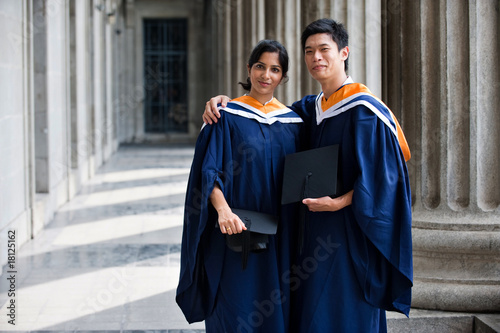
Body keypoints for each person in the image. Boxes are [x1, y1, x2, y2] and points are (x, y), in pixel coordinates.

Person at [202, 18, 413, 333]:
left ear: (344, 53)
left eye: (324, 49)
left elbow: (389, 181)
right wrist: (224, 102)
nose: (316, 57)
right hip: (309, 235)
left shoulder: (366, 111)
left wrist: (339, 203)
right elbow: (262, 120)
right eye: (309, 50)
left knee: (345, 311)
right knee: (313, 313)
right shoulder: (307, 112)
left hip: (351, 233)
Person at [176, 40, 304, 333]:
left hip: (280, 234)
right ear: (249, 68)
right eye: (260, 66)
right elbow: (209, 173)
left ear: (282, 77)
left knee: (276, 306)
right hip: (236, 230)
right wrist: (223, 212)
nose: (266, 75)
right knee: (235, 306)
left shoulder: (294, 123)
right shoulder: (225, 116)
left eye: (275, 69)